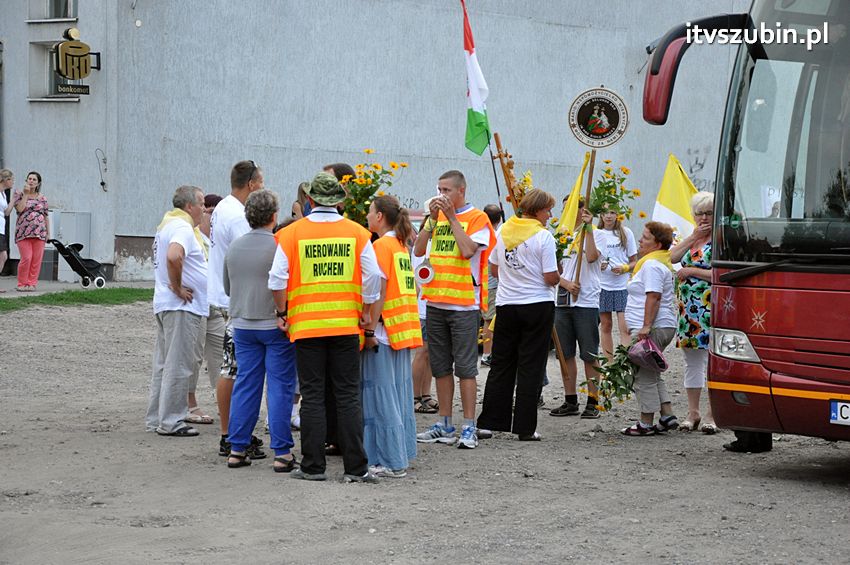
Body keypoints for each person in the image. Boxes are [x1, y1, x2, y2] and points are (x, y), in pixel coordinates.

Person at [269, 172, 381, 482]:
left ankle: (313, 466)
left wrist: (282, 311)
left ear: (310, 200)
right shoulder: (357, 233)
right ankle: (356, 467)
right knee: (347, 395)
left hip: (307, 327)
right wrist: (367, 310)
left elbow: (276, 279)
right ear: (340, 201)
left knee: (312, 396)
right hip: (346, 324)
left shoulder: (292, 233)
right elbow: (373, 276)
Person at [414, 170, 495, 449]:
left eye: (446, 190)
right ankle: (444, 423)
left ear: (461, 190)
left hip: (463, 305)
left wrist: (450, 218)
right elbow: (418, 250)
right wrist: (430, 223)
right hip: (435, 301)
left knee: (466, 369)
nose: (441, 195)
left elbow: (468, 250)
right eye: (438, 189)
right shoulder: (434, 218)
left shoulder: (477, 218)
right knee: (440, 368)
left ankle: (469, 426)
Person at [223, 189, 298, 471]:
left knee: (246, 384)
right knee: (280, 387)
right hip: (274, 323)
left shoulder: (235, 246)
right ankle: (282, 452)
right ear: (274, 216)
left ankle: (237, 448)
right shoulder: (280, 245)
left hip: (242, 323)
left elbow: (228, 287)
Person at [477, 189, 559, 441]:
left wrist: (513, 280)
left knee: (501, 364)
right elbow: (549, 277)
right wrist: (558, 277)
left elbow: (493, 267)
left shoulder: (503, 231)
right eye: (547, 210)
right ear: (536, 210)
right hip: (537, 304)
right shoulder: (544, 237)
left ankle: (489, 423)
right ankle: (524, 427)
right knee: (531, 366)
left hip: (507, 304)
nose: (550, 215)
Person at [208, 160, 265, 458]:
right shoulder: (239, 215)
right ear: (252, 184)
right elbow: (251, 255)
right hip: (238, 301)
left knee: (231, 368)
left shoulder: (222, 208)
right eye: (262, 181)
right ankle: (231, 434)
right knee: (234, 370)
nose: (264, 186)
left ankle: (231, 432)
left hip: (225, 294)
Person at [362, 195, 422, 477]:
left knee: (381, 396)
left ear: (380, 217)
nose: (366, 216)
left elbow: (378, 291)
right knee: (398, 394)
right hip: (401, 329)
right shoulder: (399, 245)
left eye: (370, 212)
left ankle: (390, 460)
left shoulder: (381, 246)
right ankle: (401, 452)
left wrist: (369, 329)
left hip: (384, 331)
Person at [146, 185, 208, 437]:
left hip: (167, 304)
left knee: (163, 363)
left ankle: (156, 418)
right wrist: (178, 287)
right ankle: (172, 420)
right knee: (179, 363)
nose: (204, 209)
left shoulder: (168, 224)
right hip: (182, 306)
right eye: (202, 203)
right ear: (189, 206)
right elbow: (174, 256)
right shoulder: (182, 227)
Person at [621, 221, 679, 436]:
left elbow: (653, 296)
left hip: (653, 327)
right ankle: (667, 415)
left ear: (657, 244)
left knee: (642, 374)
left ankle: (646, 423)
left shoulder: (652, 266)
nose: (640, 240)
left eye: (645, 237)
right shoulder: (654, 262)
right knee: (652, 370)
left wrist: (645, 326)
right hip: (659, 325)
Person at [549, 199, 605, 419]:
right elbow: (552, 269)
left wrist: (589, 228)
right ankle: (570, 399)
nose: (569, 211)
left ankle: (593, 401)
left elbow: (591, 257)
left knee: (589, 353)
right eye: (566, 207)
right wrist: (565, 283)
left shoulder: (595, 233)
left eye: (574, 207)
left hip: (586, 301)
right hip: (562, 301)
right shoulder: (560, 235)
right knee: (565, 354)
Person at [670, 192, 716, 433]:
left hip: (710, 307)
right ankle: (693, 412)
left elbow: (721, 274)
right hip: (688, 309)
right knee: (692, 362)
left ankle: (712, 413)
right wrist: (693, 237)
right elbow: (673, 256)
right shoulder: (693, 236)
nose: (704, 217)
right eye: (700, 213)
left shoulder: (720, 239)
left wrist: (692, 272)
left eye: (708, 212)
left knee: (712, 362)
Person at [186, 193, 224, 426]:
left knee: (221, 355)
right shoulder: (191, 234)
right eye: (206, 209)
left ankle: (224, 401)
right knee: (194, 355)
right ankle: (190, 404)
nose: (209, 214)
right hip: (196, 302)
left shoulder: (217, 238)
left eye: (213, 211)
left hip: (215, 303)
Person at [596, 207, 638, 358]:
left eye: (612, 212)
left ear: (618, 215)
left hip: (622, 286)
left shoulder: (626, 233)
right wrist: (598, 265)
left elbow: (634, 261)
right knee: (605, 325)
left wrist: (625, 268)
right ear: (600, 215)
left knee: (625, 327)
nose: (608, 216)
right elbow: (591, 259)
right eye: (605, 212)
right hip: (603, 286)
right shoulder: (596, 233)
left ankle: (624, 362)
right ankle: (609, 362)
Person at [411, 204, 437, 414]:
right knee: (422, 352)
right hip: (425, 305)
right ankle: (414, 396)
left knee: (430, 353)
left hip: (433, 304)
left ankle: (426, 394)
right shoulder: (424, 243)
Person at [12, 171, 49, 292]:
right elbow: (20, 209)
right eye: (29, 179)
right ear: (26, 180)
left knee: (36, 259)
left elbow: (46, 216)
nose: (31, 181)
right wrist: (26, 195)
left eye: (34, 179)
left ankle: (32, 283)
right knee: (26, 258)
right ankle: (21, 283)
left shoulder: (42, 198)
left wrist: (48, 233)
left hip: (40, 232)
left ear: (38, 183)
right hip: (23, 232)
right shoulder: (19, 194)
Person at [479, 203, 503, 367]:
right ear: (500, 218)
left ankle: (490, 352)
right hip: (492, 284)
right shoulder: (495, 237)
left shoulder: (482, 234)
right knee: (490, 320)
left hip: (485, 282)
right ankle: (487, 354)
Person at [0, 169, 16, 287]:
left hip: (1, 227)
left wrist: (14, 200)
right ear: (6, 180)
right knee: (3, 255)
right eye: (12, 180)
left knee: (3, 256)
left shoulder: (3, 194)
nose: (13, 183)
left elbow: (6, 212)